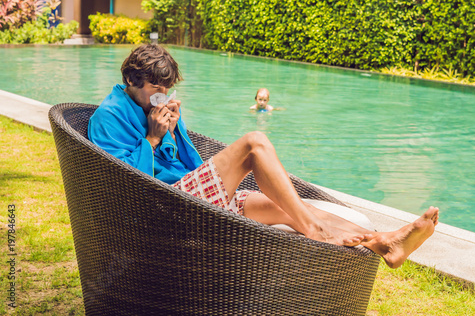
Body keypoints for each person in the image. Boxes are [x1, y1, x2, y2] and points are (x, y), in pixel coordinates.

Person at [88, 44, 439, 269]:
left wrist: (172, 131)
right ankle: (315, 231)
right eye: (155, 89)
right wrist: (152, 136)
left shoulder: (153, 105)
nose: (162, 97)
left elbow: (188, 163)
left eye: (167, 89)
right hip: (163, 206)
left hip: (187, 194)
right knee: (255, 142)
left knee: (291, 206)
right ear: (132, 80)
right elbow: (122, 185)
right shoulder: (109, 116)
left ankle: (384, 240)